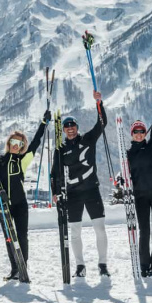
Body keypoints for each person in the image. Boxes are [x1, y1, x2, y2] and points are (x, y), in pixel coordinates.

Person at [0, 110, 51, 280]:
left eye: (19, 143)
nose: (15, 144)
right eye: (13, 141)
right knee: (9, 237)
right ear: (9, 142)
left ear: (22, 146)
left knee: (21, 236)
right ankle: (14, 269)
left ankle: (23, 266)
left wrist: (43, 124)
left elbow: (36, 142)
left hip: (20, 204)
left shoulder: (23, 160)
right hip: (3, 204)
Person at [52, 91, 110, 279]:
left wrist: (99, 103)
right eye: (66, 126)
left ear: (77, 127)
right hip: (73, 194)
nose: (70, 129)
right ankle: (80, 266)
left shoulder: (88, 139)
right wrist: (55, 192)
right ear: (63, 130)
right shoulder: (60, 150)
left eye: (72, 125)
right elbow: (55, 173)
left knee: (99, 229)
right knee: (75, 232)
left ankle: (102, 264)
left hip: (92, 190)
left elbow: (102, 123)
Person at [125, 89, 152, 277]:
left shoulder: (150, 147)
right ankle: (144, 265)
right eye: (136, 132)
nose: (140, 134)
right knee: (144, 231)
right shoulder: (127, 154)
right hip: (140, 195)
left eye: (142, 131)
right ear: (132, 134)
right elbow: (125, 176)